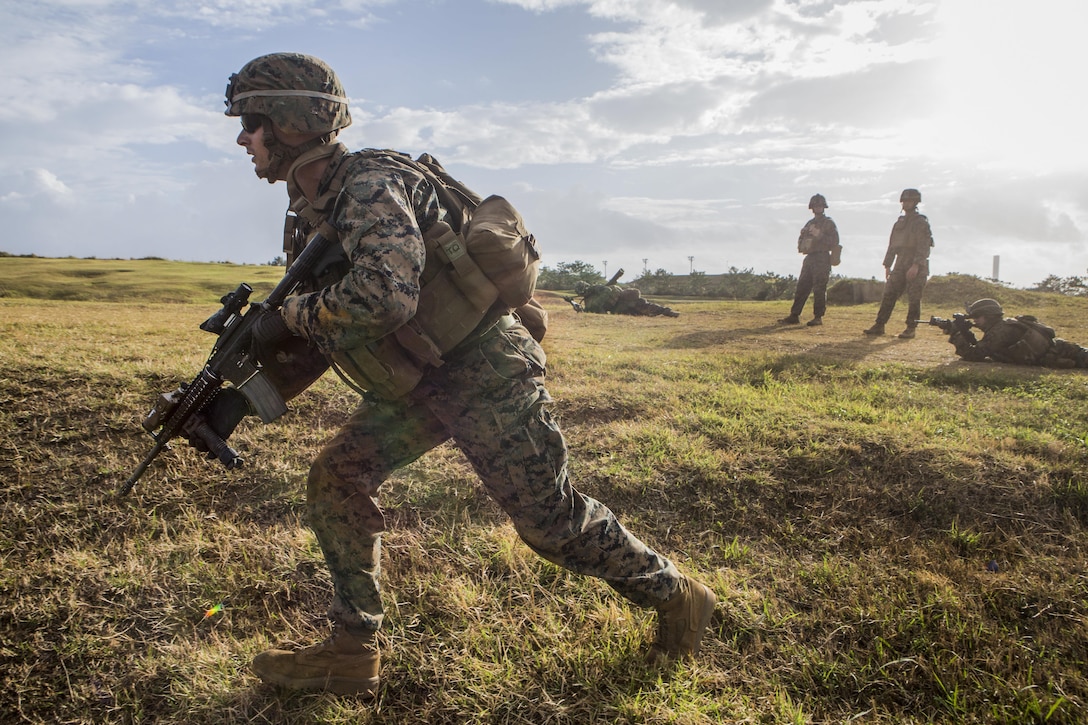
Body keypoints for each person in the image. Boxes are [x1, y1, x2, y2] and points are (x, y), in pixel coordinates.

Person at [215, 52, 715, 697]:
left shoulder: (366, 185)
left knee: (551, 523)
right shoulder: (313, 202)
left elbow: (381, 297)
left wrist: (292, 313)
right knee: (337, 476)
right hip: (421, 381)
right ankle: (351, 649)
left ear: (289, 120)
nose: (242, 138)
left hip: (485, 371)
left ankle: (678, 596)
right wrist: (243, 390)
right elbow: (344, 321)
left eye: (251, 122)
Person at [864, 188, 934, 339]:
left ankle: (911, 328)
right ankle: (879, 325)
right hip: (900, 262)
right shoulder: (899, 223)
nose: (906, 204)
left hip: (916, 262)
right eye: (905, 201)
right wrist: (888, 265)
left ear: (915, 203)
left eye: (909, 201)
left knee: (914, 297)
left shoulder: (921, 223)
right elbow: (892, 245)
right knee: (889, 293)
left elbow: (924, 246)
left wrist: (916, 265)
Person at [947, 298, 1088, 368]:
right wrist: (965, 332)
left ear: (988, 316)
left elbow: (974, 355)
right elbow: (981, 348)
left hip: (1066, 352)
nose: (975, 321)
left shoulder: (1000, 331)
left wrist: (956, 334)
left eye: (977, 317)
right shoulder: (1000, 328)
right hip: (1060, 352)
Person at [778, 193, 841, 327]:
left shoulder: (828, 222)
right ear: (812, 207)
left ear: (824, 207)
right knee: (802, 287)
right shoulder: (810, 223)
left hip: (822, 257)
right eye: (815, 205)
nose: (817, 208)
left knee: (819, 288)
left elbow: (834, 241)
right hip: (810, 257)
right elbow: (801, 241)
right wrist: (802, 237)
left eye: (820, 205)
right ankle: (794, 315)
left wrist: (819, 235)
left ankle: (818, 317)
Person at [571, 279, 680, 317]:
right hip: (616, 308)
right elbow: (591, 310)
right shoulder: (588, 299)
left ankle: (667, 311)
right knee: (639, 314)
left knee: (643, 306)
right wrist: (580, 309)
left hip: (623, 299)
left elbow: (607, 291)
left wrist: (597, 304)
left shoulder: (596, 289)